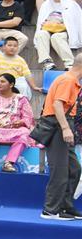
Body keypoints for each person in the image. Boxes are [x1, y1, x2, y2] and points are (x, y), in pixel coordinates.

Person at [40, 55, 82, 220]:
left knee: (74, 169)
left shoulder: (70, 80)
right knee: (60, 171)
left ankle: (65, 206)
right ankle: (50, 210)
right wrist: (65, 128)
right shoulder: (68, 80)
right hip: (58, 125)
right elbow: (57, 104)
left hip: (64, 123)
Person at [0, 75, 35, 172]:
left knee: (25, 133)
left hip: (14, 129)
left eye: (2, 81)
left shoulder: (21, 99)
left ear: (11, 85)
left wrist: (20, 122)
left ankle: (9, 163)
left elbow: (28, 117)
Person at [34, 0, 82, 70]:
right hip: (47, 29)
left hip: (64, 31)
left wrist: (62, 24)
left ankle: (70, 64)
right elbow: (41, 20)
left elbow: (75, 23)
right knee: (41, 34)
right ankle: (47, 63)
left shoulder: (71, 5)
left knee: (56, 37)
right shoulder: (46, 5)